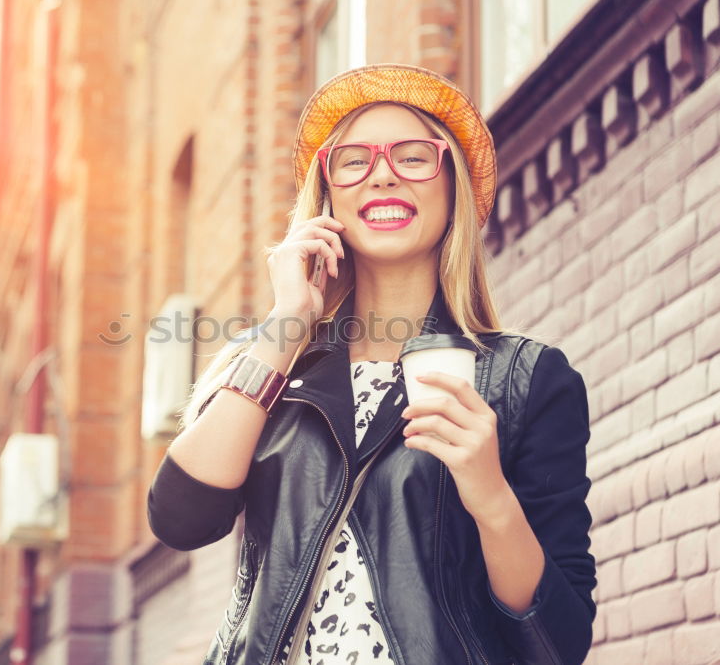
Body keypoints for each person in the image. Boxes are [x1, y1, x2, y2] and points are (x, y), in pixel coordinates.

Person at [147, 63, 596, 664]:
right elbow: (181, 519)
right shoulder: (273, 363)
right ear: (328, 198)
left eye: (412, 157)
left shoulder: (524, 380)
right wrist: (286, 325)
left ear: (451, 186)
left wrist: (489, 494)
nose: (382, 175)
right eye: (354, 161)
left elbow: (557, 644)